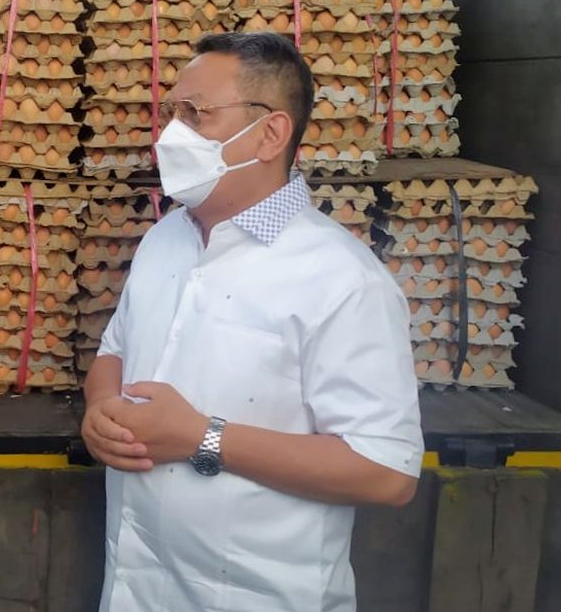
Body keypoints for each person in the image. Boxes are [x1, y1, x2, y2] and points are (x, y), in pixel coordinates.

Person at [83, 32, 423, 612]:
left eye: (197, 114)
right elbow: (114, 349)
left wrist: (202, 437)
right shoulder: (167, 237)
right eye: (173, 112)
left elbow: (386, 471)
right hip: (137, 588)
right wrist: (98, 412)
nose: (173, 134)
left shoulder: (342, 280)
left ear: (269, 134)